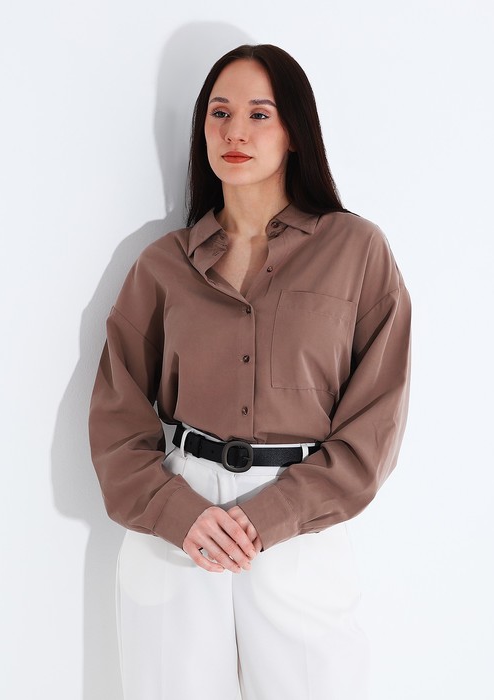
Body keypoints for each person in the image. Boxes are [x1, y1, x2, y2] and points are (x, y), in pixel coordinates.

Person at [89, 43, 411, 700]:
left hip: (300, 527)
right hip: (180, 528)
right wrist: (175, 511)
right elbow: (116, 413)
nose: (235, 131)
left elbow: (375, 422)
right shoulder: (162, 264)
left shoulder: (357, 251)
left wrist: (272, 515)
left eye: (259, 114)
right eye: (220, 113)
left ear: (294, 131)